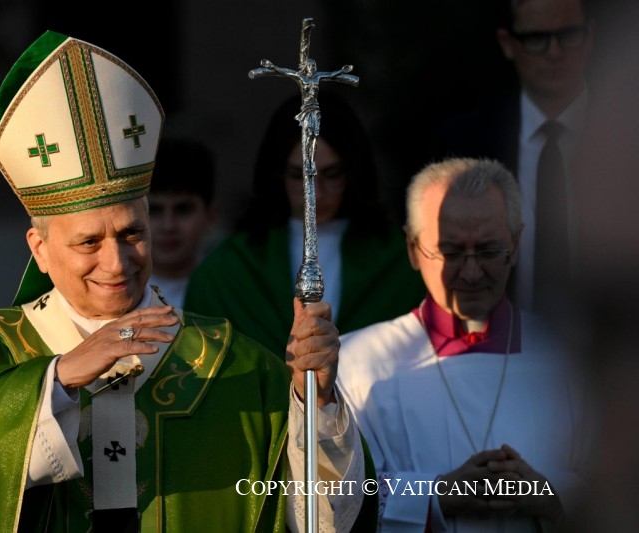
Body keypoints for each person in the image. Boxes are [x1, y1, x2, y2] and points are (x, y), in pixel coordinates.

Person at [0, 31, 378, 532]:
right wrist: (58, 377)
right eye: (89, 242)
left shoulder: (237, 366)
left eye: (133, 233)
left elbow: (322, 519)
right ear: (39, 250)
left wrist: (317, 402)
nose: (116, 262)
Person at [337, 157, 592, 532]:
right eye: (451, 252)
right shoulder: (356, 363)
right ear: (412, 247)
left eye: (489, 251)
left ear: (517, 243)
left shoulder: (576, 358)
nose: (471, 274)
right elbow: (332, 502)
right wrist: (438, 495)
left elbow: (622, 488)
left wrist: (548, 494)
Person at [184, 91, 425, 356]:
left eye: (331, 175)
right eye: (299, 176)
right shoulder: (228, 270)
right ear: (277, 174)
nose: (315, 195)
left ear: (353, 172)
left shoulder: (400, 263)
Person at [429, 0, 594, 312]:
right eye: (536, 38)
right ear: (508, 43)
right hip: (494, 347)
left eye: (568, 34)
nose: (554, 52)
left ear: (590, 37)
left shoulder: (624, 138)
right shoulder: (464, 144)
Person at [147, 137, 217, 308]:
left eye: (183, 209)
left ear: (210, 216)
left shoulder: (230, 288)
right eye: (154, 210)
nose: (168, 226)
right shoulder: (115, 292)